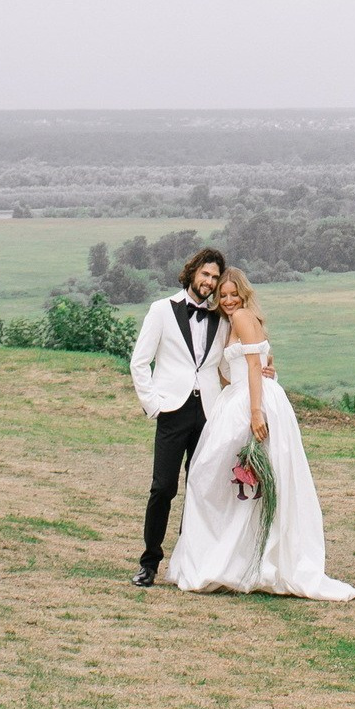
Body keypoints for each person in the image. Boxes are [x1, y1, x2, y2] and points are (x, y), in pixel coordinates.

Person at [170, 267, 355, 600]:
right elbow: (240, 370)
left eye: (234, 295)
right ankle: (239, 558)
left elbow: (256, 367)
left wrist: (255, 412)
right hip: (240, 397)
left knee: (233, 479)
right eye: (223, 295)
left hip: (252, 403)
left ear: (243, 295)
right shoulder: (230, 323)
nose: (228, 301)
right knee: (232, 482)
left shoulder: (243, 317)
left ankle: (250, 561)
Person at [127, 247, 230, 588]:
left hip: (208, 415)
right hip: (172, 411)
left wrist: (262, 370)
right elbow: (139, 362)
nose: (210, 282)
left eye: (215, 277)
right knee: (163, 488)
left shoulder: (221, 319)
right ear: (192, 272)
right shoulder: (161, 310)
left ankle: (189, 562)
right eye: (205, 274)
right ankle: (149, 563)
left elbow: (225, 367)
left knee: (200, 490)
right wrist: (154, 404)